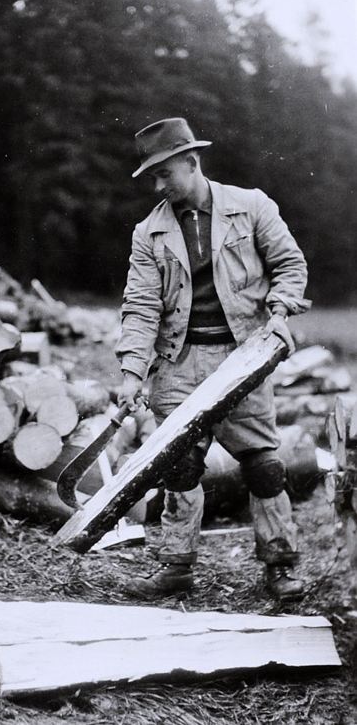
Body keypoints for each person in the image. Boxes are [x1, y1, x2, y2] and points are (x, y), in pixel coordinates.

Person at [116, 117, 311, 602]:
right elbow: (141, 306)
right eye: (152, 177)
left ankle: (280, 566)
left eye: (165, 174)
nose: (159, 186)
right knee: (179, 465)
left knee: (264, 464)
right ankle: (176, 566)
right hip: (178, 363)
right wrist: (130, 372)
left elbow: (291, 265)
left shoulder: (252, 207)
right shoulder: (149, 232)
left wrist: (281, 311)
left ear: (191, 161)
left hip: (243, 357)